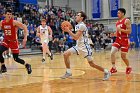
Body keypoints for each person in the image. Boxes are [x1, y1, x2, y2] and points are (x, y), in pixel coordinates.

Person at [61, 11, 111, 80]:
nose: (76, 16)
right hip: (78, 46)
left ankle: (106, 72)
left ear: (81, 18)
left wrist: (68, 31)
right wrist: (68, 30)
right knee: (65, 54)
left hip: (84, 47)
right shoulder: (77, 25)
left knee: (92, 64)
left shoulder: (82, 25)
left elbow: (76, 37)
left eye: (78, 15)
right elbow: (75, 37)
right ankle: (68, 72)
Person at [0, 9, 32, 74]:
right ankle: (3, 66)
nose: (9, 16)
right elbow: (3, 29)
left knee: (16, 59)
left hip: (13, 42)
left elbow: (25, 27)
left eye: (10, 14)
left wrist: (25, 38)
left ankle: (27, 65)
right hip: (6, 40)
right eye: (8, 14)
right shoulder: (2, 22)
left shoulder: (14, 22)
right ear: (5, 15)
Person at [110, 8, 132, 74]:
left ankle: (129, 67)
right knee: (112, 52)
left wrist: (121, 30)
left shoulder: (126, 20)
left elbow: (129, 31)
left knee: (123, 56)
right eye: (117, 13)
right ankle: (114, 68)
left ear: (123, 13)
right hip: (118, 39)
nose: (117, 14)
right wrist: (113, 34)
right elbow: (117, 32)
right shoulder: (117, 22)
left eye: (119, 13)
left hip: (125, 39)